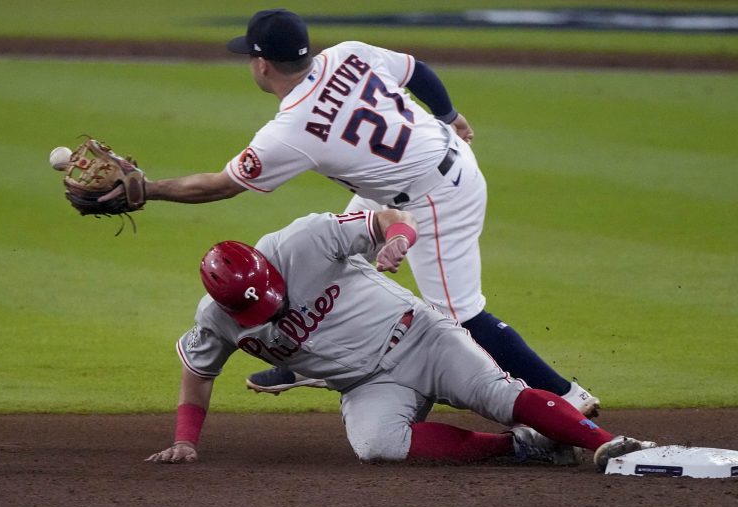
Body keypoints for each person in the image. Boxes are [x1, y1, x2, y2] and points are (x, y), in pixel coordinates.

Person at [117, 8, 599, 415]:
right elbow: (417, 72)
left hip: (434, 200)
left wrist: (146, 190)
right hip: (435, 160)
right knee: (338, 255)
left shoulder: (290, 130)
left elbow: (221, 187)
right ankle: (305, 363)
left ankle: (565, 395)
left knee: (459, 314)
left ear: (262, 65)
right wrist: (450, 115)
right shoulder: (348, 52)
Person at [145, 209, 653, 467]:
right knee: (378, 447)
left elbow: (393, 217)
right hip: (369, 385)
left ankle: (610, 447)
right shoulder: (216, 318)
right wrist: (185, 441)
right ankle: (520, 448)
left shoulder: (301, 239)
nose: (269, 307)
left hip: (420, 337)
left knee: (502, 395)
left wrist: (396, 242)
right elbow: (197, 370)